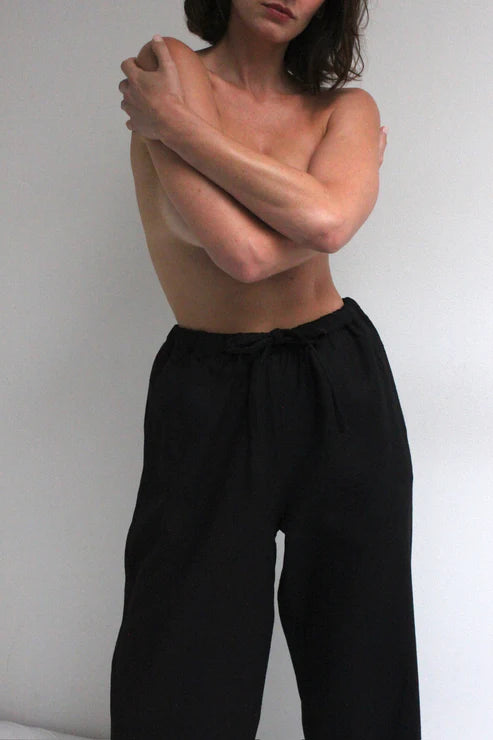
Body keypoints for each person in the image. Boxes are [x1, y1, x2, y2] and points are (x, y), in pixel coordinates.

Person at [111, 1, 421, 738]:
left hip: (340, 378)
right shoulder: (168, 69)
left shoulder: (345, 108)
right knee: (182, 654)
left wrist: (177, 129)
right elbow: (244, 256)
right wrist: (323, 209)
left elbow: (324, 225)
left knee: (362, 645)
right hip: (209, 386)